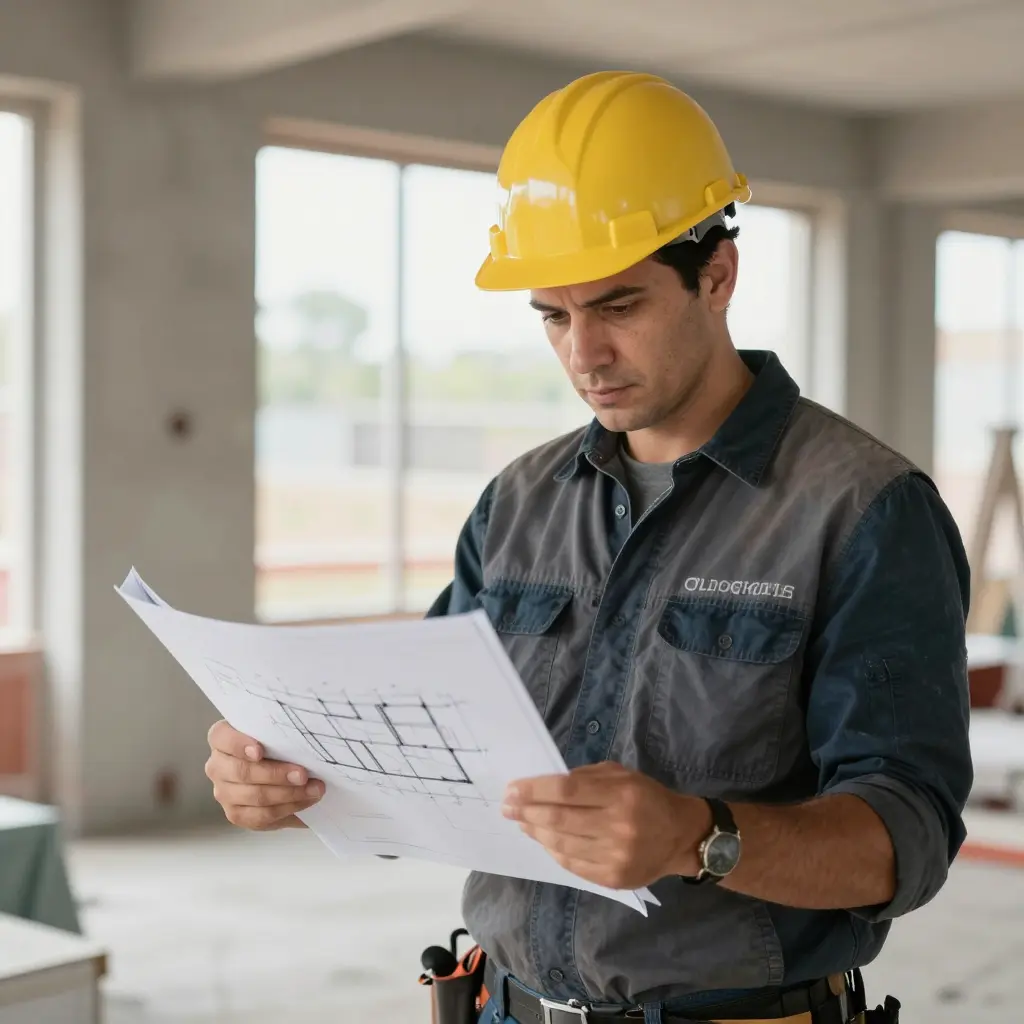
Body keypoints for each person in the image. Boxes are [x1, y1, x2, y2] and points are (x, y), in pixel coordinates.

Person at [205, 71, 972, 1023]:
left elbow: (909, 836)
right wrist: (295, 780)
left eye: (618, 306)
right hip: (501, 1004)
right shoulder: (518, 503)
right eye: (554, 316)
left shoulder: (863, 510)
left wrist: (701, 837)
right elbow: (437, 755)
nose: (583, 355)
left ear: (718, 275)